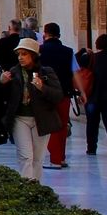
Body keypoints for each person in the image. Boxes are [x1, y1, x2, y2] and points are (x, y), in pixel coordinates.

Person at [1, 37, 63, 182]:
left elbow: (58, 95)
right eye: (19, 54)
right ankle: (27, 188)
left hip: (41, 119)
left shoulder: (46, 72)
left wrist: (43, 88)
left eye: (24, 54)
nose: (20, 57)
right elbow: (4, 97)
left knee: (38, 157)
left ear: (33, 55)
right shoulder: (14, 72)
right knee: (25, 156)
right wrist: (2, 82)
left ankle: (35, 188)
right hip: (20, 118)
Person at [38, 23, 76, 170]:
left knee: (50, 125)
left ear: (45, 34)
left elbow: (36, 72)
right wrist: (82, 93)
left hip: (46, 94)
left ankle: (54, 159)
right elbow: (75, 73)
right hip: (65, 93)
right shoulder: (68, 51)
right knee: (62, 126)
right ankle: (60, 158)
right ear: (59, 35)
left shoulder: (40, 50)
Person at [85, 34, 107, 158]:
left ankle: (91, 148)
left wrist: (84, 52)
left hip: (93, 97)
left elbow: (76, 63)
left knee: (92, 124)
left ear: (96, 44)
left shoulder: (91, 58)